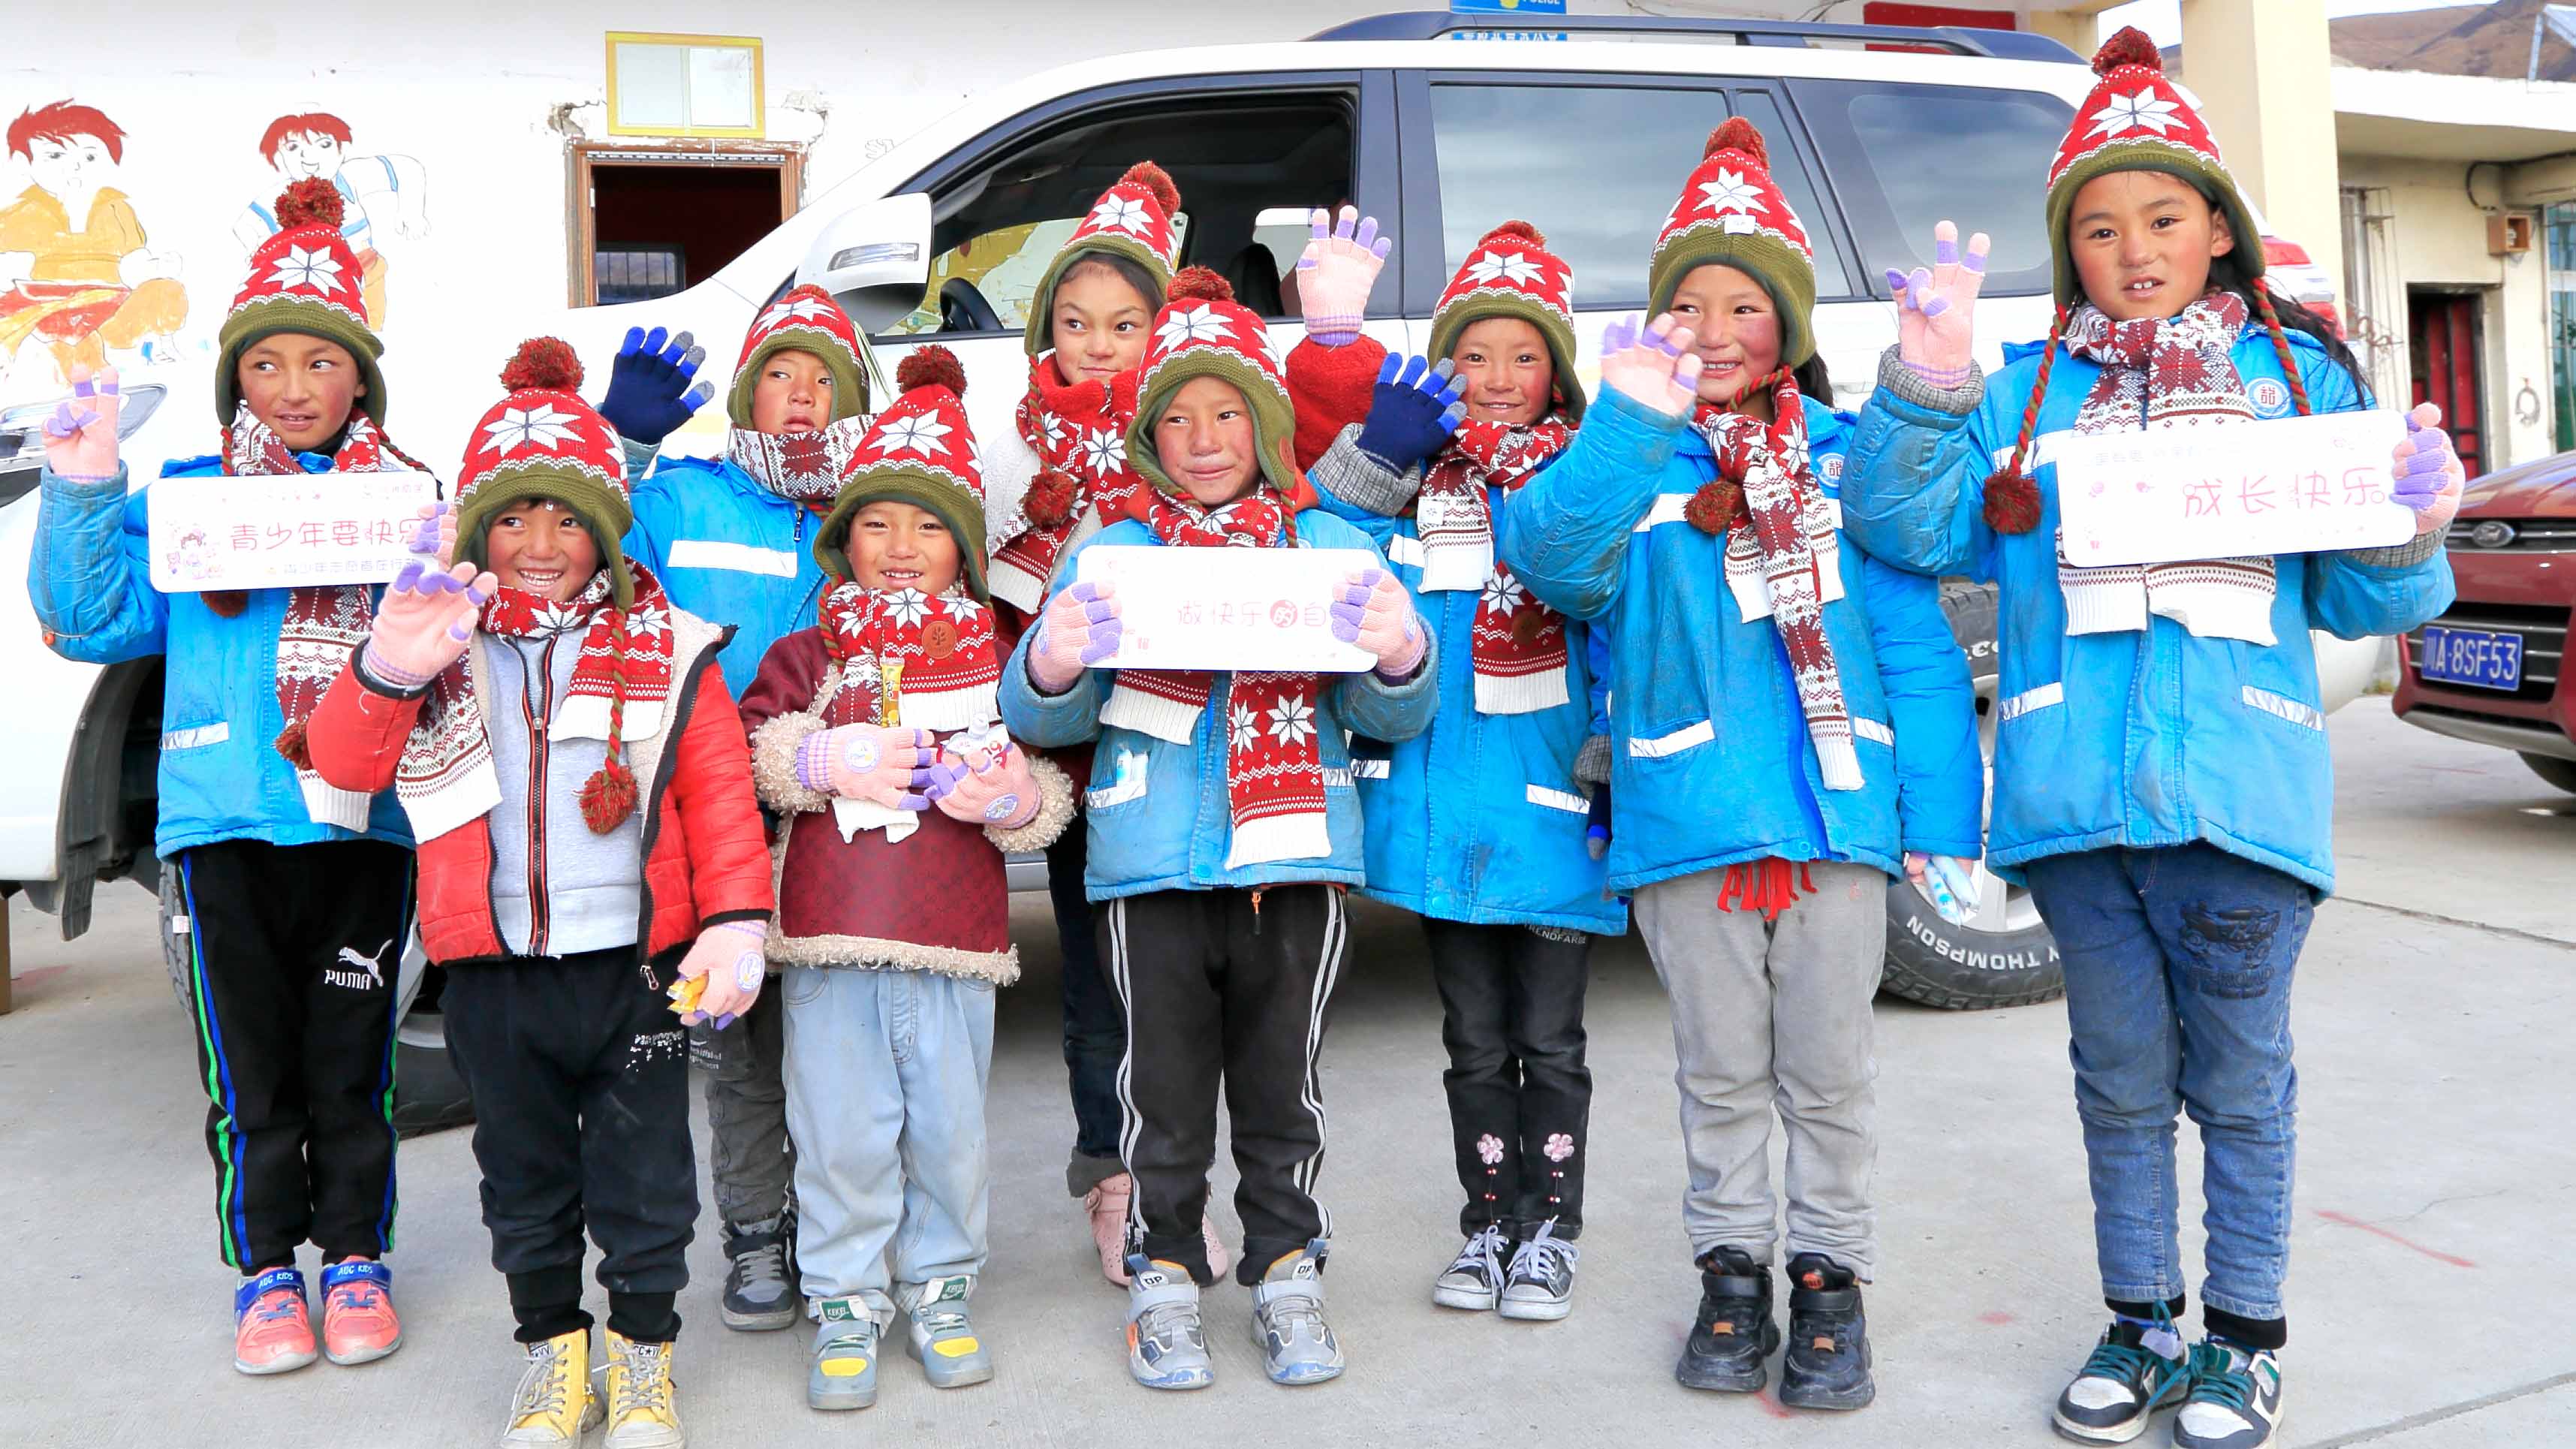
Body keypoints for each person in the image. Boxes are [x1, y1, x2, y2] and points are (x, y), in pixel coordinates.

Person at [1841, 31, 2462, 1449]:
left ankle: (2245, 1339)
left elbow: (2367, 599)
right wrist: (1928, 382)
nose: (2134, 250)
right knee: (2117, 1082)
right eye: (2101, 228)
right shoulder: (2027, 391)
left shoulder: (2299, 383)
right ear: (2070, 248)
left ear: (2218, 227)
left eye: (2164, 218)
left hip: (2243, 800)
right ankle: (2142, 1321)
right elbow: (1905, 526)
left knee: (2240, 1085)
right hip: (2073, 803)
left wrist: (2413, 520)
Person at [1495, 119, 1984, 1411]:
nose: (1715, 330)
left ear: (1790, 323)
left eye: (1745, 305)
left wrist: (1938, 814)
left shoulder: (1844, 461)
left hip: (1835, 828)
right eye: (1688, 305)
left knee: (1831, 1077)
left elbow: (1918, 650)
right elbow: (1550, 560)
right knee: (1717, 1076)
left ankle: (1830, 1280)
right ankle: (1731, 1272)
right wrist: (1624, 423)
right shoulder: (1627, 466)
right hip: (1687, 821)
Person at [306, 338, 773, 1449]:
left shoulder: (673, 648)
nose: (542, 545)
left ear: (607, 530)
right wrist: (390, 664)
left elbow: (716, 794)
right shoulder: (443, 645)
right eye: (512, 520)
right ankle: (552, 1354)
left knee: (647, 1178)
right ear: (478, 531)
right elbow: (341, 769)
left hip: (637, 971)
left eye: (569, 519)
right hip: (493, 973)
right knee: (523, 1177)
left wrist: (735, 921)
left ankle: (645, 1359)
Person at [1000, 267, 1438, 1391]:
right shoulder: (1112, 552)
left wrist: (1402, 650)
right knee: (1163, 1092)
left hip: (1296, 862)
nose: (1204, 442)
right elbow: (1046, 716)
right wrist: (1052, 663)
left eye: (1229, 414)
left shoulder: (1327, 543)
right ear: (1149, 438)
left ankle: (1287, 1268)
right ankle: (1165, 1273)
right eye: (1179, 419)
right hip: (1152, 865)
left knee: (1284, 1090)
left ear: (1268, 427)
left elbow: (1391, 713)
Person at [31, 178, 418, 1377]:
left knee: (352, 1064)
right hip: (223, 828)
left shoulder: (404, 502)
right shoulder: (193, 504)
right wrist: (86, 481)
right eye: (266, 364)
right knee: (248, 1072)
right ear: (235, 381)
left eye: (322, 362)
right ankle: (265, 1269)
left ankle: (354, 1255)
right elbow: (89, 618)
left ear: (362, 382)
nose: (295, 386)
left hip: (362, 827)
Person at [1291, 212, 1622, 1320]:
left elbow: (1619, 621)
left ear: (1557, 372)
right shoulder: (1415, 493)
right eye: (1474, 355)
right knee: (1472, 1040)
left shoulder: (1580, 486)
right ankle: (1487, 1226)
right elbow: (1321, 550)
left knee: (1551, 1039)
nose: (1499, 378)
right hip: (1443, 811)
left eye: (1524, 356)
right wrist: (1375, 454)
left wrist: (1612, 752)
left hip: (1555, 806)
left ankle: (1552, 1231)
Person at [737, 345, 1077, 1411]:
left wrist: (1011, 800)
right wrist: (816, 758)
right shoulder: (811, 654)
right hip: (831, 940)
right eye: (876, 523)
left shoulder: (1000, 658)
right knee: (837, 1132)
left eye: (929, 528)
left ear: (964, 552)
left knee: (948, 1131)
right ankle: (845, 1296)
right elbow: (754, 747)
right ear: (842, 541)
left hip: (957, 942)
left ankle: (940, 1285)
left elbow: (1047, 786)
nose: (900, 547)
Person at [606, 283, 884, 1333]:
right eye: (779, 375)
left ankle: (840, 1235)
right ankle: (757, 1233)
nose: (801, 396)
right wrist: (621, 440)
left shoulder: (874, 509)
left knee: (839, 1048)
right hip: (717, 816)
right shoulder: (686, 500)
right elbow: (580, 543)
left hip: (839, 813)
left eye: (824, 380)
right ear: (743, 397)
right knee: (737, 1045)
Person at [981, 161, 1227, 1283]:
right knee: (1095, 987)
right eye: (1074, 322)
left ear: (1160, 329)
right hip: (1067, 760)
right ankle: (1113, 1178)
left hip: (1172, 757)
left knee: (1177, 990)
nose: (1097, 345)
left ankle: (1180, 1186)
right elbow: (980, 595)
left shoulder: (1191, 439)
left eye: (1126, 324)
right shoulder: (1011, 453)